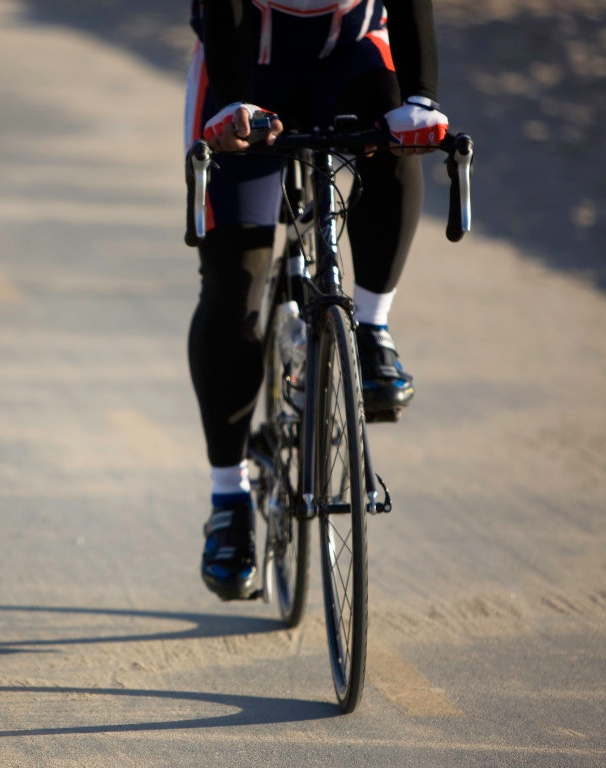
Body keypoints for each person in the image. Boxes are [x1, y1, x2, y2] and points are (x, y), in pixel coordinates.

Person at [185, 0, 448, 600]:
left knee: (398, 134)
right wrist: (230, 100)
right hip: (246, 65)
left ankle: (373, 329)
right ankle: (228, 499)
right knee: (235, 288)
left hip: (350, 57)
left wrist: (423, 96)